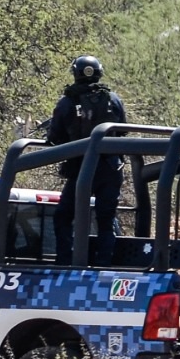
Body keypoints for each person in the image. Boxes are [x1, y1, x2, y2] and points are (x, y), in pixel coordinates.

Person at [48, 55, 127, 265]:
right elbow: (124, 131)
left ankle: (65, 262)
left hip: (82, 169)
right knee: (106, 220)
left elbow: (55, 137)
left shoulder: (67, 102)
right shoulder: (113, 99)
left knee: (64, 216)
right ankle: (104, 265)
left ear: (75, 74)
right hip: (111, 168)